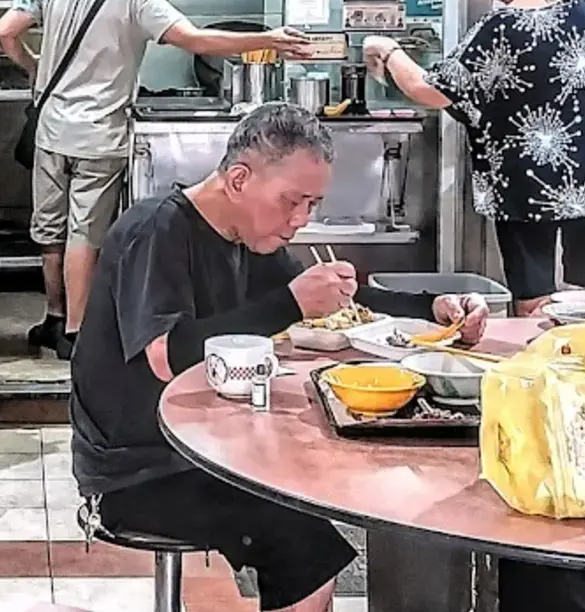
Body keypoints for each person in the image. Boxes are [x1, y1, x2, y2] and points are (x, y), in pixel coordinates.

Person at [70, 103, 488, 612]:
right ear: (239, 178)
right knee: (303, 553)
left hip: (205, 449)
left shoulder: (251, 238)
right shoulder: (158, 231)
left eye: (312, 204)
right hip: (138, 474)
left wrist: (433, 308)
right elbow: (166, 356)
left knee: (314, 523)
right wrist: (291, 303)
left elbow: (342, 301)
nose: (300, 220)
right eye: (291, 201)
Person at [0, 0, 311, 359]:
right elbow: (194, 40)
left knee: (50, 228)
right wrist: (267, 38)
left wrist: (35, 68)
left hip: (50, 129)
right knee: (85, 233)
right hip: (98, 136)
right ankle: (76, 336)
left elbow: (5, 32)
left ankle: (53, 318)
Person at [364, 0, 585, 317]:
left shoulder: (501, 27)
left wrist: (387, 48)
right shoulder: (579, 11)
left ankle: (537, 372)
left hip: (528, 188)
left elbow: (428, 89)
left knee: (534, 302)